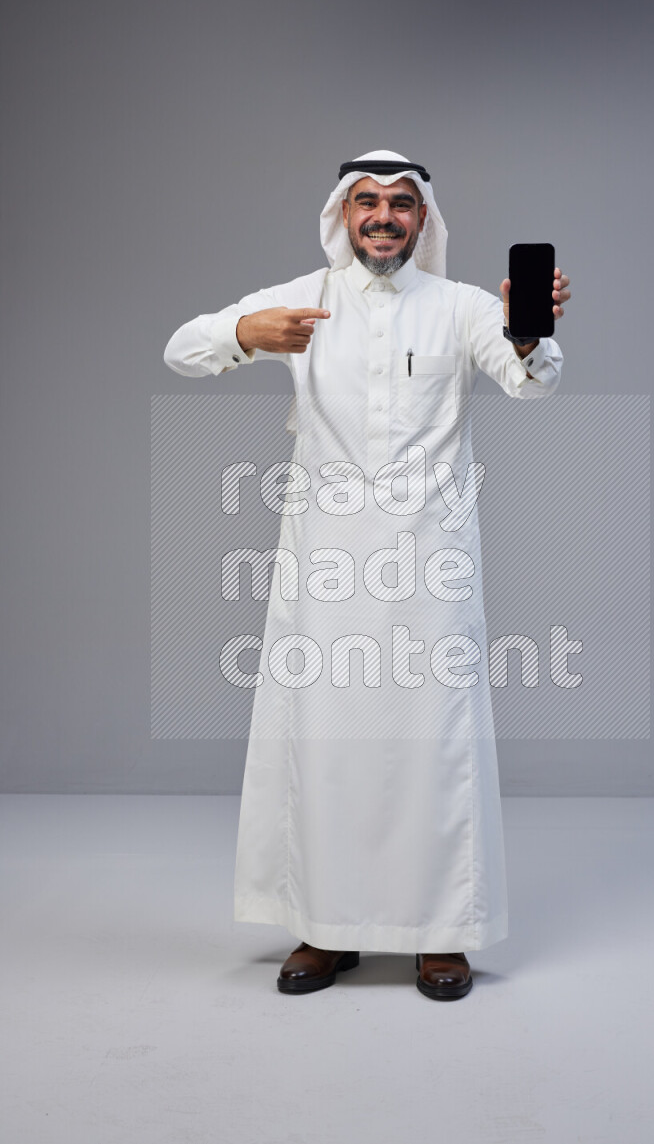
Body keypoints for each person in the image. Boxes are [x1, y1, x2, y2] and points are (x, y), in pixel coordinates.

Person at [164, 149, 570, 1001]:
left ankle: (441, 935)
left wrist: (529, 333)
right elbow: (179, 350)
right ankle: (325, 926)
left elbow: (528, 384)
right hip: (327, 564)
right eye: (366, 203)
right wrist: (247, 334)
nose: (383, 217)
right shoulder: (300, 301)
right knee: (328, 742)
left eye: (400, 204)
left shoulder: (460, 307)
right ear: (342, 216)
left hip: (430, 561)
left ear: (423, 221)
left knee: (434, 744)